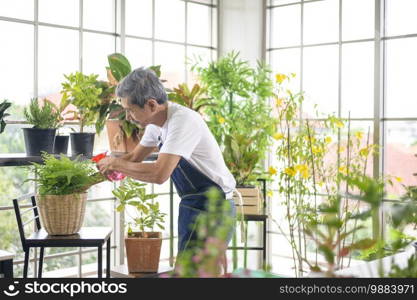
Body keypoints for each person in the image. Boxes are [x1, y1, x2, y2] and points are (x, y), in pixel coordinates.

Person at [97, 67, 236, 268]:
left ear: (151, 105)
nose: (128, 117)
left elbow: (159, 173)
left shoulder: (182, 121)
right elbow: (135, 158)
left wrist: (117, 164)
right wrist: (108, 166)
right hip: (192, 204)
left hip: (213, 208)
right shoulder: (155, 123)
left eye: (130, 110)